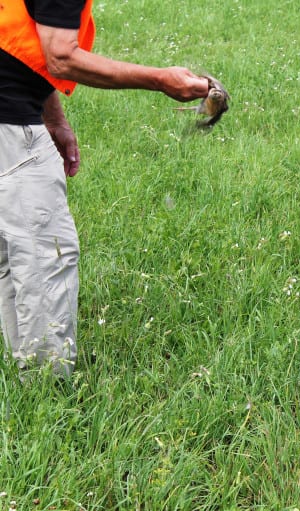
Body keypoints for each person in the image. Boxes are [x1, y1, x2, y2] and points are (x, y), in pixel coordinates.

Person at [0, 0, 210, 377]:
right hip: (10, 126)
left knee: (12, 257)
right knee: (45, 255)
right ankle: (47, 392)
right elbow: (61, 56)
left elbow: (19, 37)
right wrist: (161, 79)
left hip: (13, 112)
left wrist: (52, 116)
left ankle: (28, 375)